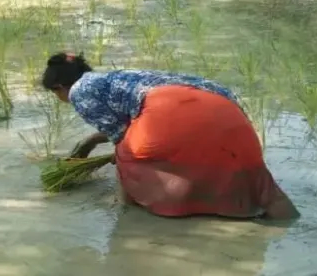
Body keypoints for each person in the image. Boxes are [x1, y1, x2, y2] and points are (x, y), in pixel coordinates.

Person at [41, 52, 299, 220]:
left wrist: (110, 151)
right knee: (260, 183)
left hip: (170, 111)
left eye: (56, 95)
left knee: (125, 156)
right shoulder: (119, 77)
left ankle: (126, 214)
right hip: (227, 112)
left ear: (60, 87)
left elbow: (120, 135)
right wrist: (90, 142)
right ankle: (291, 226)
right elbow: (133, 119)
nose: (61, 99)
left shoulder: (79, 90)